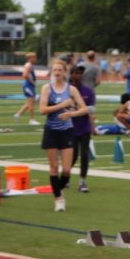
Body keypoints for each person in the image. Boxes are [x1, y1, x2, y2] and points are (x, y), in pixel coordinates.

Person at [39, 59, 89, 212]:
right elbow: (42, 110)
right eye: (54, 70)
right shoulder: (46, 88)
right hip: (51, 131)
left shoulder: (71, 89)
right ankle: (58, 199)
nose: (57, 72)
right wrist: (62, 105)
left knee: (66, 169)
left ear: (65, 72)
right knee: (54, 167)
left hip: (67, 131)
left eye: (60, 70)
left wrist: (71, 114)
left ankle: (57, 190)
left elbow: (84, 109)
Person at [68, 64, 96, 193]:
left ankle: (82, 181)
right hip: (71, 128)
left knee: (84, 155)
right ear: (71, 75)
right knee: (72, 156)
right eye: (76, 73)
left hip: (84, 128)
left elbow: (92, 109)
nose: (79, 75)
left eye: (80, 73)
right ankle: (66, 176)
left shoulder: (88, 91)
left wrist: (79, 109)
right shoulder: (66, 91)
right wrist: (80, 109)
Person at [13, 52, 39, 125]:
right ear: (30, 58)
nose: (35, 59)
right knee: (31, 103)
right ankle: (31, 120)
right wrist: (32, 82)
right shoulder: (28, 65)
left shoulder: (30, 65)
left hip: (30, 86)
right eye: (34, 57)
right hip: (28, 85)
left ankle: (18, 114)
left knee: (30, 102)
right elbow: (24, 75)